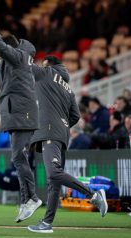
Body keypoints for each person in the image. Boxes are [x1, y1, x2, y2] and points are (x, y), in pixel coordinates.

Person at [27, 56, 108, 233]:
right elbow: (76, 116)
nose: (41, 66)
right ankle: (47, 223)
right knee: (53, 182)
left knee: (54, 173)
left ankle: (93, 194)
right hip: (62, 135)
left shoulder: (46, 73)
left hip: (50, 131)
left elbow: (22, 61)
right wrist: (62, 126)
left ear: (49, 66)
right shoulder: (68, 89)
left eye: (44, 64)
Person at [0, 16, 42, 223]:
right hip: (15, 114)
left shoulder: (19, 57)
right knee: (18, 158)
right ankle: (26, 200)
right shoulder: (6, 64)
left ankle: (32, 198)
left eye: (0, 52)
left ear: (8, 49)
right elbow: (4, 86)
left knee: (18, 158)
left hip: (22, 113)